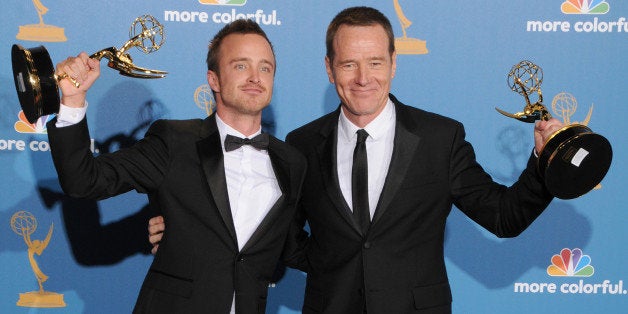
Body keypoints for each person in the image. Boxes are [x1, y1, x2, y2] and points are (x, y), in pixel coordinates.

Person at [149, 6, 564, 313]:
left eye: (375, 63)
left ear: (394, 64)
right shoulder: (302, 145)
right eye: (349, 64)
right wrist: (186, 230)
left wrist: (546, 164)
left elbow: (504, 216)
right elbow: (280, 235)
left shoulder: (440, 137)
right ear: (330, 70)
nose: (363, 78)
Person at [47, 19, 306, 314]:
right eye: (240, 66)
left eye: (265, 67)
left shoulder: (291, 163)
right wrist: (73, 98)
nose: (255, 77)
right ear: (214, 80)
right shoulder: (175, 142)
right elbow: (84, 180)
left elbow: (294, 248)